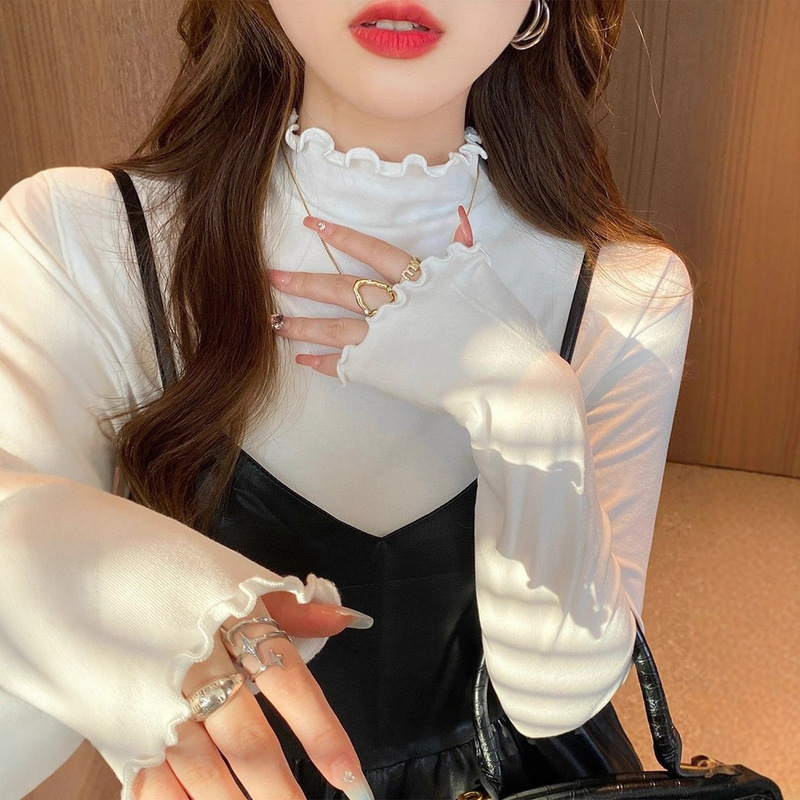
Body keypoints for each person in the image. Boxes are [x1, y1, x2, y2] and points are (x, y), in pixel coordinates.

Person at [0, 1, 695, 798]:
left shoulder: (626, 292)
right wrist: (114, 585)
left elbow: (559, 700)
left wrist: (533, 410)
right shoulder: (87, 238)